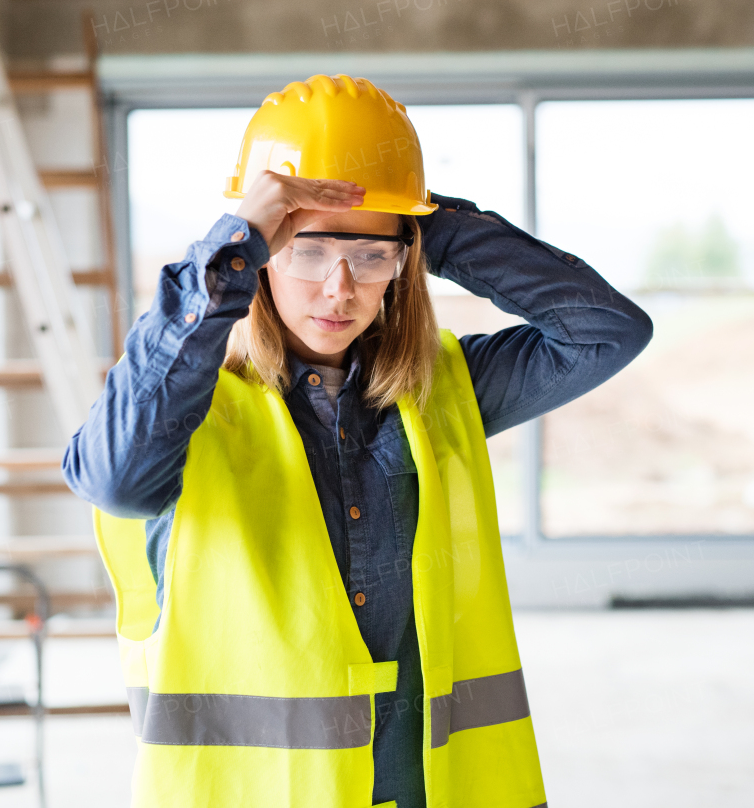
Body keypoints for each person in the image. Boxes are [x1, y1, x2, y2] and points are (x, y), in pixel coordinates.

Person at [63, 74, 653, 808]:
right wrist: (230, 249)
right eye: (307, 251)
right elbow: (111, 478)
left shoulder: (440, 390)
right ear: (264, 254)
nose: (340, 288)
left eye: (372, 256)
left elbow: (608, 331)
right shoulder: (192, 411)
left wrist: (426, 222)